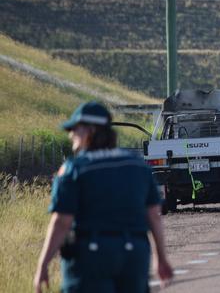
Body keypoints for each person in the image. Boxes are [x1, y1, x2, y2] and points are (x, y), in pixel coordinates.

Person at [34, 101, 173, 293]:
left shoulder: (73, 169)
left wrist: (43, 264)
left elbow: (62, 222)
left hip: (91, 258)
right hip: (134, 255)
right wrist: (161, 259)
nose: (71, 134)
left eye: (75, 129)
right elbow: (154, 215)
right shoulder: (138, 166)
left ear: (90, 131)